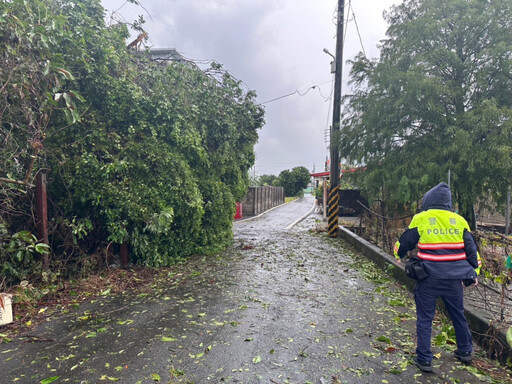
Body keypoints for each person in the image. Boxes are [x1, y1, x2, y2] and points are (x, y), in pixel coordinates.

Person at [393, 182, 481, 372]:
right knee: (458, 314)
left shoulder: (422, 217)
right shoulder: (460, 221)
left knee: (425, 318)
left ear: (428, 200)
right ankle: (465, 351)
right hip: (454, 279)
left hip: (429, 278)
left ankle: (424, 359)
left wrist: (397, 255)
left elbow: (405, 242)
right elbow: (472, 250)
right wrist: (474, 273)